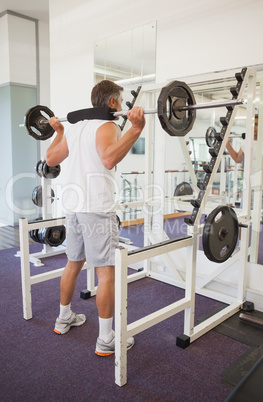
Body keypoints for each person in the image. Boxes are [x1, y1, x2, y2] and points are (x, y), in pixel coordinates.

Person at [46, 80, 145, 355]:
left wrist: (59, 132)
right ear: (112, 102)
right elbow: (109, 159)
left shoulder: (76, 128)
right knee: (105, 274)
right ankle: (106, 339)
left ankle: (64, 317)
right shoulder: (108, 125)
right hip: (96, 208)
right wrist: (136, 129)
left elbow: (51, 158)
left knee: (72, 264)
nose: (123, 106)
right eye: (122, 101)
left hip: (74, 206)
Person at [226, 115, 263, 266]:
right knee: (242, 220)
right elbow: (237, 158)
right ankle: (242, 250)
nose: (255, 127)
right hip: (248, 189)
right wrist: (227, 144)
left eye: (258, 124)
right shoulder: (246, 142)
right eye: (253, 124)